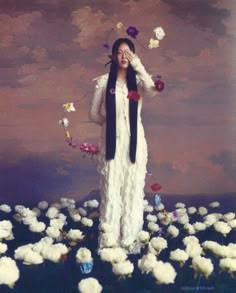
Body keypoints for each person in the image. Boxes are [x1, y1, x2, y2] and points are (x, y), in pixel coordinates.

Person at [89, 38, 158, 254]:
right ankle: (109, 244)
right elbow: (94, 114)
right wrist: (112, 127)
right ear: (113, 57)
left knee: (132, 190)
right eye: (120, 52)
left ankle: (130, 242)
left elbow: (152, 89)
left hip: (135, 144)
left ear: (134, 55)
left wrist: (138, 65)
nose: (124, 56)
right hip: (112, 145)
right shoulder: (103, 82)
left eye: (128, 52)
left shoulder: (137, 81)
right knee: (111, 191)